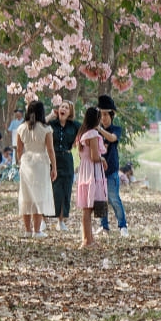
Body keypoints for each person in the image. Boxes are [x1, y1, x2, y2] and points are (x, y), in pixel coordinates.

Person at [15, 101, 56, 238]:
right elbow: (50, 150)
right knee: (39, 195)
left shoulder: (21, 128)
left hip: (26, 161)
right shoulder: (46, 129)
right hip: (41, 162)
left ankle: (27, 230)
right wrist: (54, 167)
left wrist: (20, 163)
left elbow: (19, 150)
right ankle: (37, 231)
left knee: (26, 195)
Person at [75, 106, 108, 249]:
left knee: (86, 208)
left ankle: (88, 238)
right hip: (92, 172)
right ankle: (88, 241)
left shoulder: (82, 134)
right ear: (97, 119)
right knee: (88, 208)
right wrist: (103, 160)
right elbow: (95, 156)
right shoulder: (93, 134)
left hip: (84, 171)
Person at [95, 95, 128, 237]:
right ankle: (104, 227)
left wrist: (100, 130)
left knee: (114, 199)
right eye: (100, 115)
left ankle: (122, 226)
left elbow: (112, 138)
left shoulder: (116, 129)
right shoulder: (94, 130)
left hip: (111, 171)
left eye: (105, 115)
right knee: (99, 200)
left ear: (111, 115)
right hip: (97, 170)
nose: (103, 118)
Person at [48, 102, 79, 232]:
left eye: (67, 108)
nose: (64, 109)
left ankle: (61, 220)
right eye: (62, 107)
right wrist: (50, 115)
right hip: (52, 158)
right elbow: (39, 125)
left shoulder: (74, 125)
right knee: (52, 189)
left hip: (66, 159)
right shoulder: (51, 124)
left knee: (66, 190)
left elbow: (86, 130)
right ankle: (44, 218)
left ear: (70, 112)